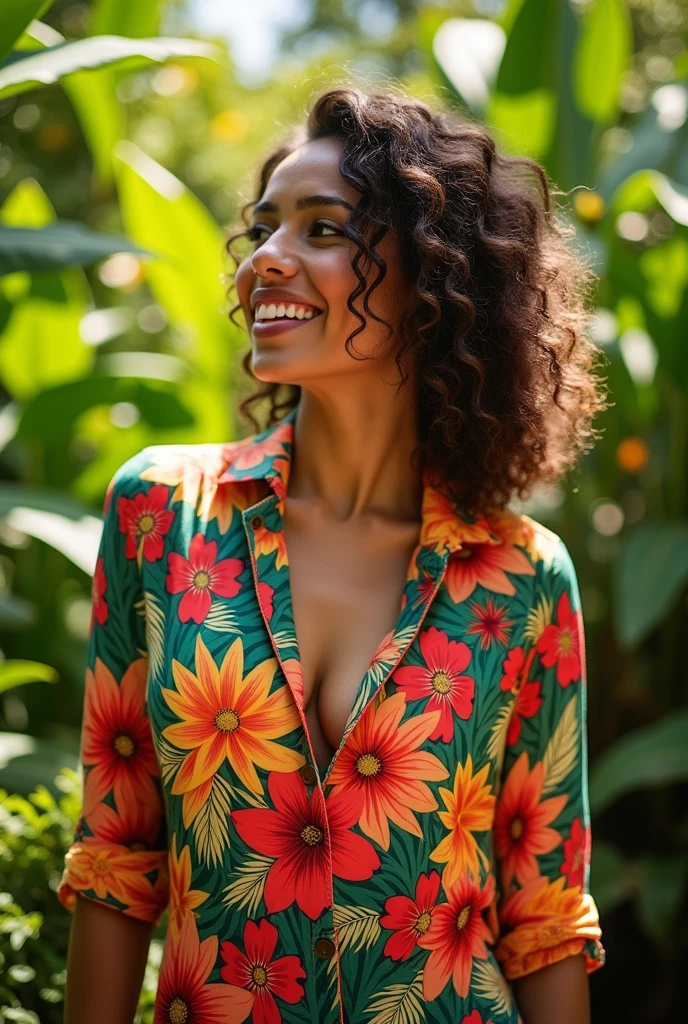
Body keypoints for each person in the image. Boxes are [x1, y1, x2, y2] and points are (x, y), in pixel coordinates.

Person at [58, 85, 608, 1024]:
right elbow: (116, 858)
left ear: (434, 273)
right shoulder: (162, 510)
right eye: (265, 227)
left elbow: (543, 920)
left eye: (322, 229)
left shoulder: (522, 578)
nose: (265, 260)